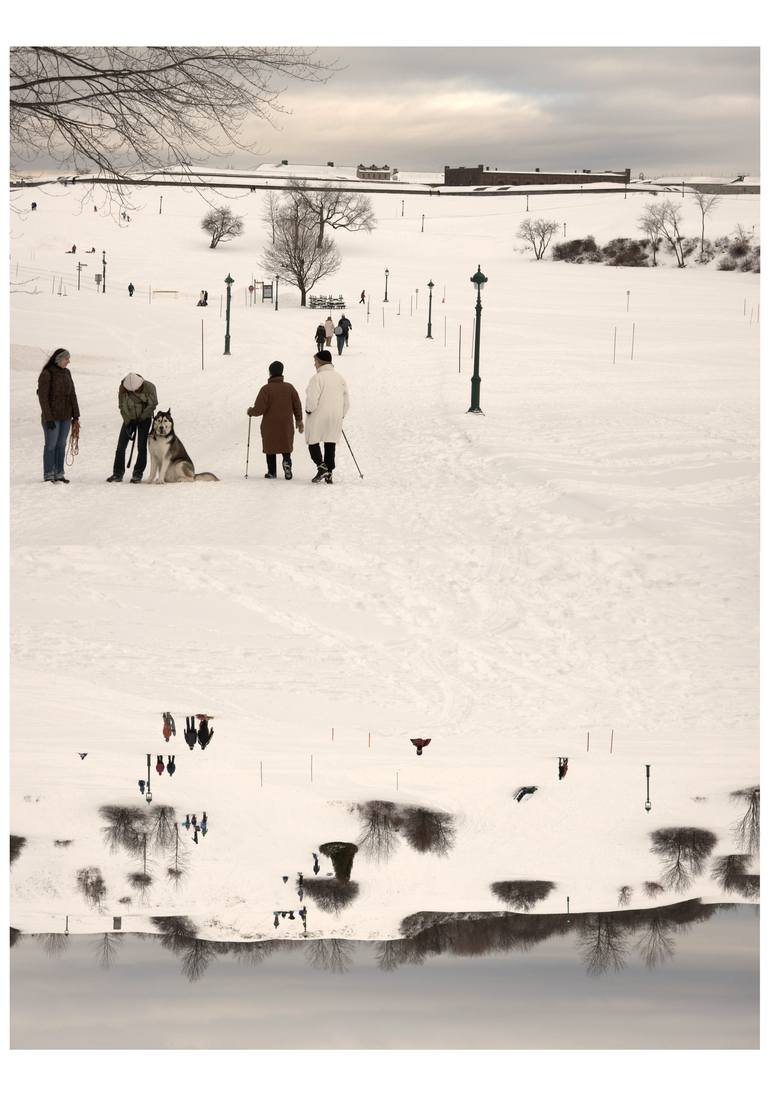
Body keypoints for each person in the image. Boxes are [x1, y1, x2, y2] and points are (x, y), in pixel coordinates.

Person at [247, 361, 303, 480]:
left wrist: (250, 411)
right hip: (285, 424)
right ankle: (287, 463)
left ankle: (272, 472)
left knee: (270, 447)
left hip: (270, 424)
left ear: (270, 372)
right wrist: (299, 420)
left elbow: (259, 409)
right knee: (285, 445)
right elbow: (297, 405)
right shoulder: (290, 388)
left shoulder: (266, 389)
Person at [304, 349, 349, 484]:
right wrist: (341, 414)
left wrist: (308, 410)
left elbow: (312, 399)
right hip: (335, 416)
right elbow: (346, 400)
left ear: (321, 362)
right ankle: (329, 472)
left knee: (312, 441)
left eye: (315, 361)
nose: (314, 364)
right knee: (330, 443)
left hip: (318, 415)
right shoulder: (340, 377)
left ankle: (321, 466)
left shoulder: (317, 378)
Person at [36, 348, 80, 484]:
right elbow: (43, 397)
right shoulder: (47, 373)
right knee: (51, 445)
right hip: (52, 417)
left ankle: (59, 473)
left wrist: (76, 415)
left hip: (66, 416)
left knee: (61, 445)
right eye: (66, 359)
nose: (69, 361)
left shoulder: (67, 373)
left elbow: (72, 394)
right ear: (59, 359)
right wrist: (48, 418)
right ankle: (49, 474)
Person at [106, 372, 158, 483]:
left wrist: (142, 417)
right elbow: (122, 406)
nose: (133, 392)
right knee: (121, 446)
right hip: (129, 419)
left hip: (144, 419)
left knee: (141, 446)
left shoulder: (150, 387)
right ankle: (117, 473)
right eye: (131, 391)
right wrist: (128, 420)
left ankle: (138, 474)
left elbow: (152, 404)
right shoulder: (123, 388)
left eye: (136, 390)